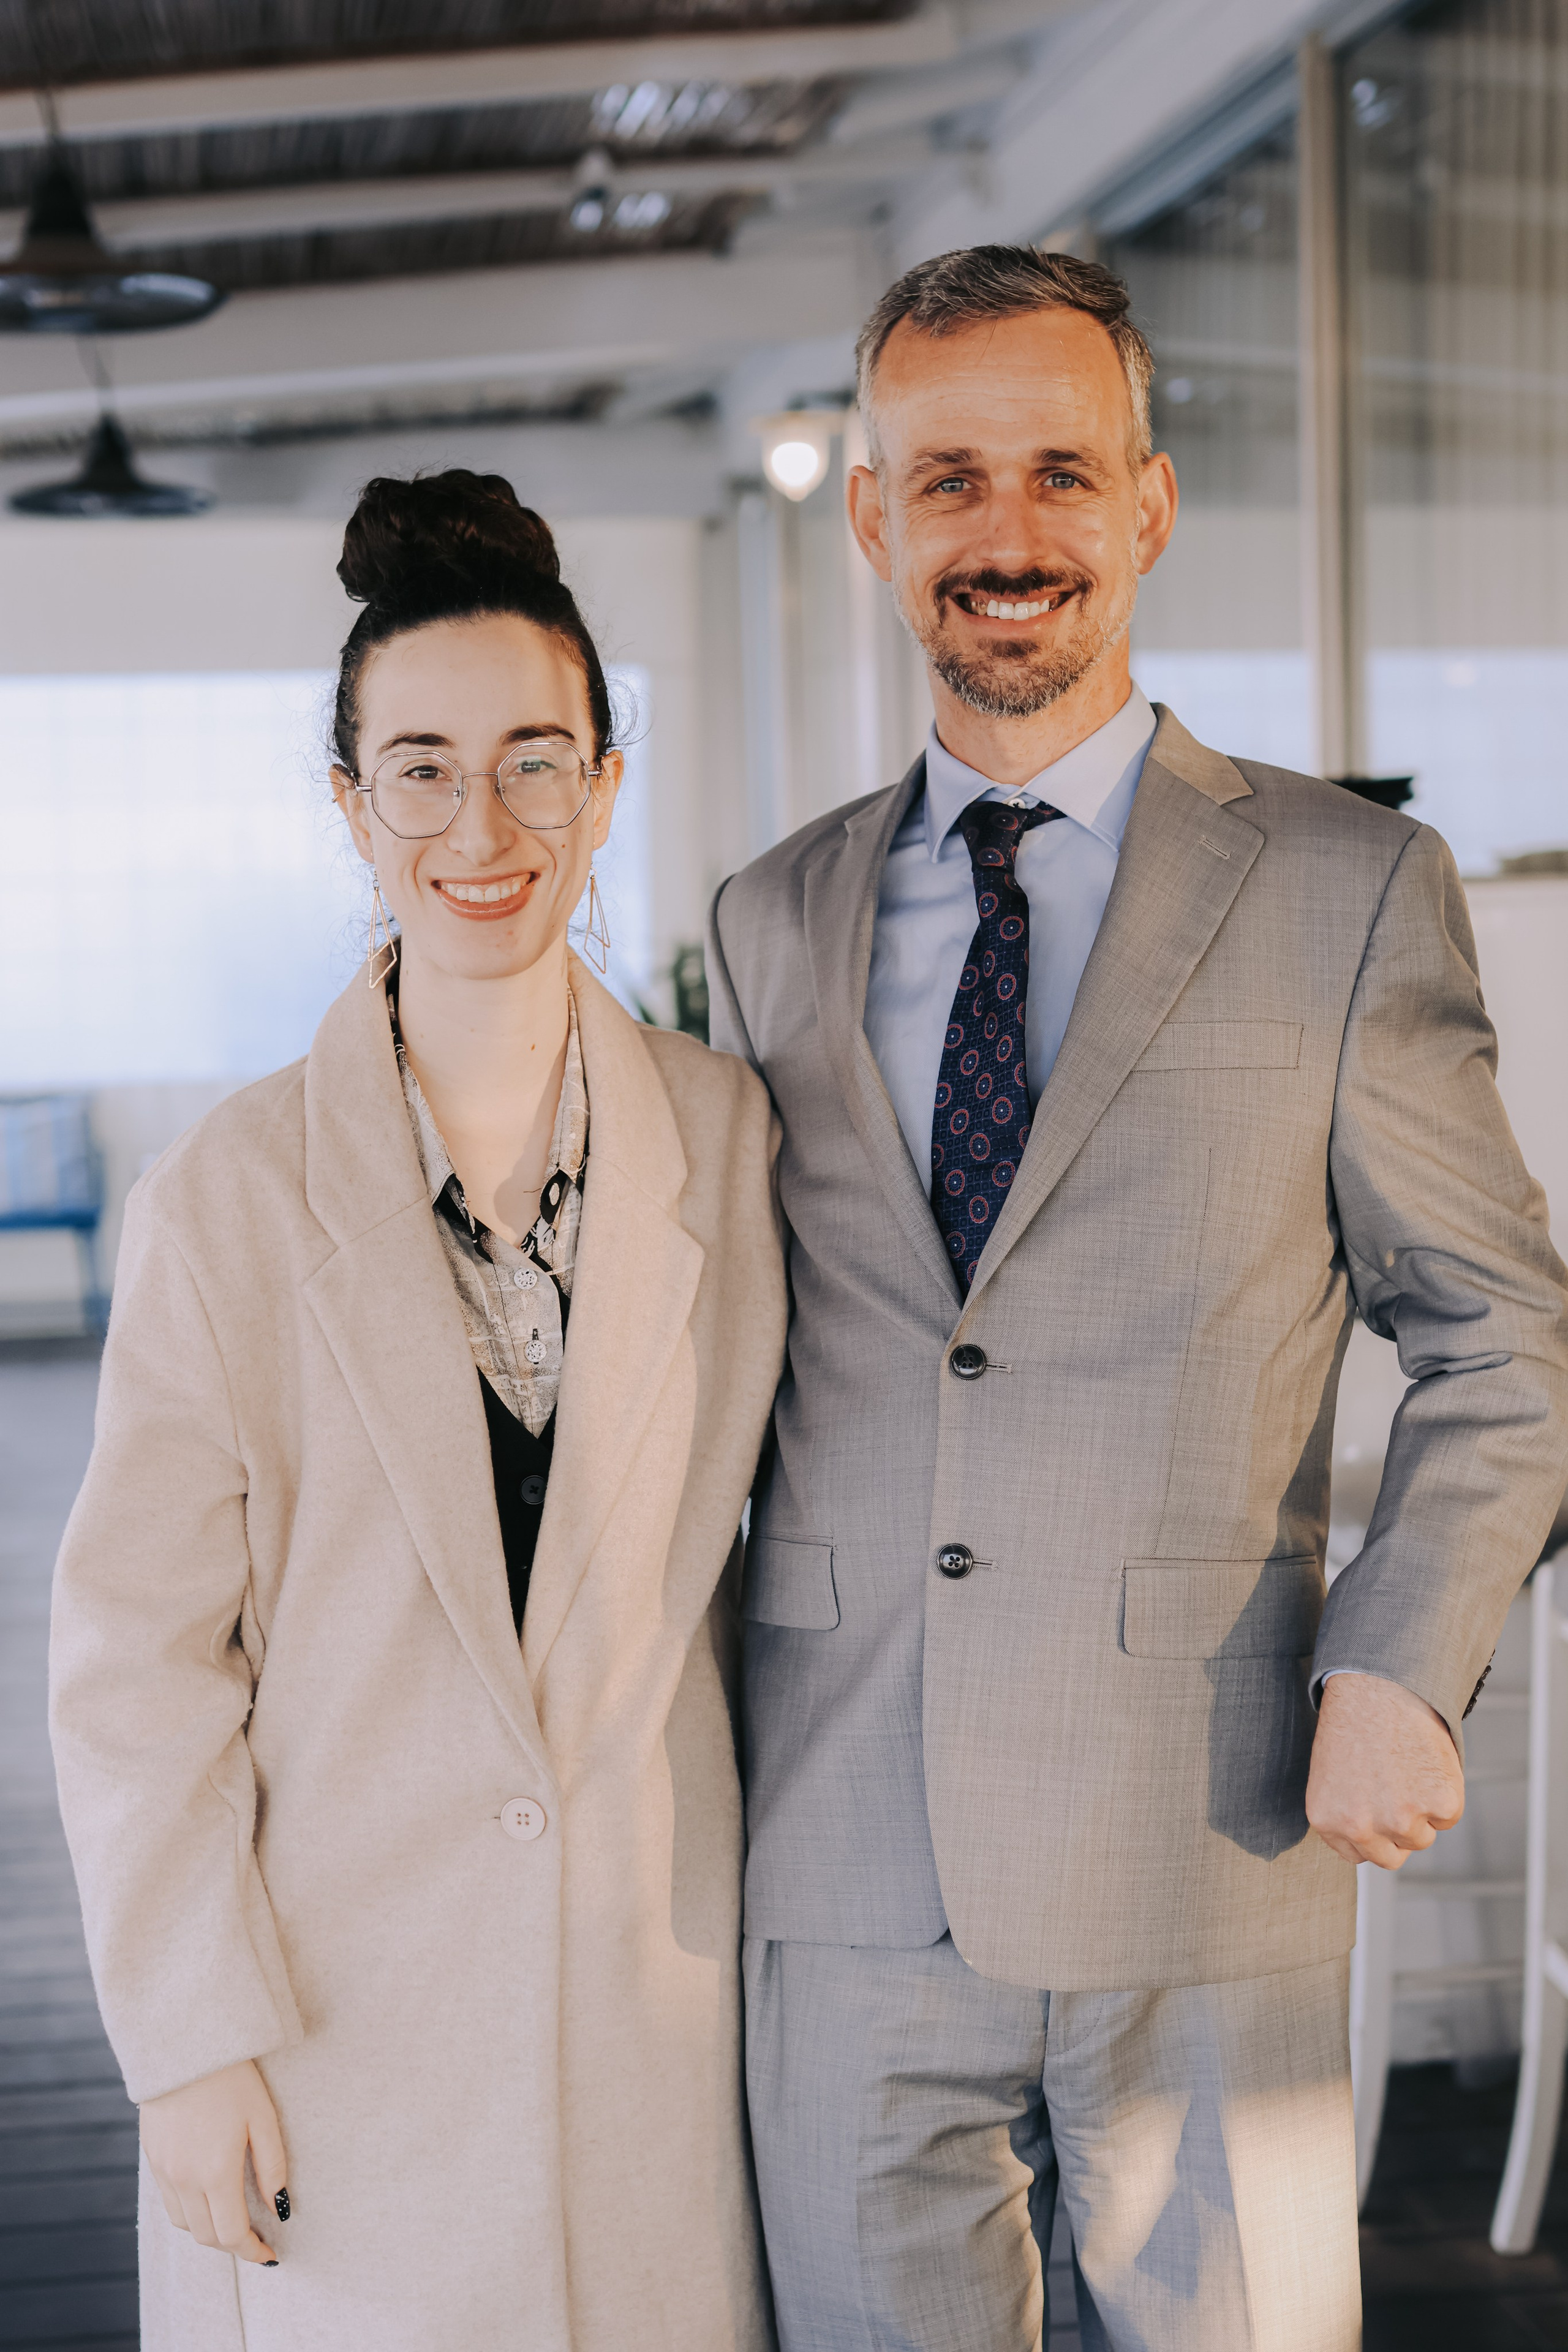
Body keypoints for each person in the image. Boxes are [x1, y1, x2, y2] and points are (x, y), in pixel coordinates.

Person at [707, 247, 1568, 2351]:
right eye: (954, 480)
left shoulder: (1349, 889)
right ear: (878, 518)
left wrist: (1403, 1655)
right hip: (834, 1843)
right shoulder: (770, 917)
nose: (1011, 537)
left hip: (1212, 1831)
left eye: (1063, 477)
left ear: (1150, 509)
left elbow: (1505, 1333)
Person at [50, 470, 786, 2352]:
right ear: (352, 806)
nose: (486, 824)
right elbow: (137, 1660)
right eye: (425, 767)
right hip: (333, 2041)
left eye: (538, 761)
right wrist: (192, 2043)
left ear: (607, 783)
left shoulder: (729, 1142)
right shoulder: (223, 1198)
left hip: (652, 2031)